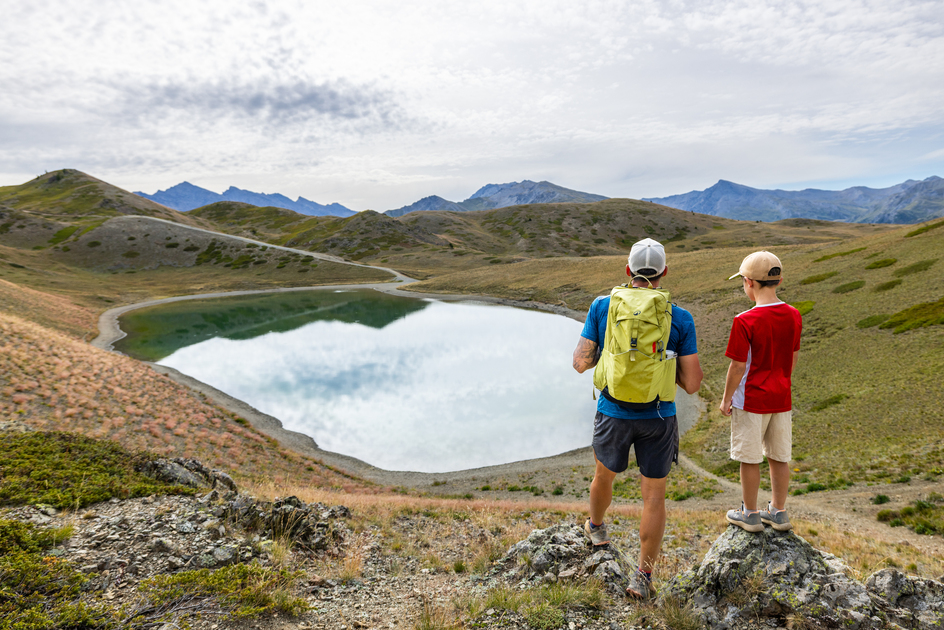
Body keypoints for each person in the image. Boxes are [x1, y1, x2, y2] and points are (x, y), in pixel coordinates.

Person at [572, 238, 702, 600]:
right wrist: (663, 364)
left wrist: (613, 357)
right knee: (653, 498)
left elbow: (580, 362)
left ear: (628, 271)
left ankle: (596, 528)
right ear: (664, 273)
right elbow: (692, 384)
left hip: (613, 411)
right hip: (659, 417)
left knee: (603, 475)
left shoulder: (602, 306)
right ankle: (642, 577)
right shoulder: (679, 317)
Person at [719, 251, 802, 533]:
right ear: (778, 280)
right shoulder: (793, 315)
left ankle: (750, 513)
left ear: (749, 282)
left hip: (751, 399)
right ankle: (778, 511)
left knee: (749, 457)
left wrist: (727, 397)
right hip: (782, 397)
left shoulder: (744, 320)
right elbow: (792, 357)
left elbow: (737, 366)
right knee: (779, 456)